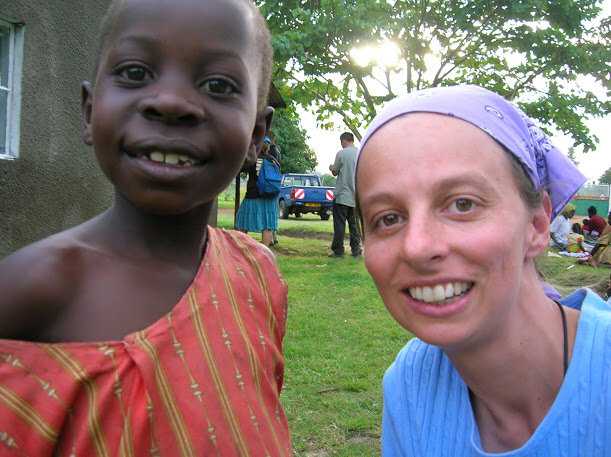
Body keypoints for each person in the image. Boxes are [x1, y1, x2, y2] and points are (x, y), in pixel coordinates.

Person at [0, 1, 292, 456]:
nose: (171, 102)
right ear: (89, 111)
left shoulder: (258, 274)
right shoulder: (26, 292)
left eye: (218, 85)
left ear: (256, 134)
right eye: (135, 73)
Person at [354, 85, 610, 456]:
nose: (417, 247)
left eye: (462, 203)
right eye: (388, 218)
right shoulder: (410, 384)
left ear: (537, 224)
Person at [235, 140, 280, 247]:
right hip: (271, 197)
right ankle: (264, 250)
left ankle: (241, 248)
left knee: (243, 221)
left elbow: (239, 168)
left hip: (253, 196)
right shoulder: (273, 160)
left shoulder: (253, 160)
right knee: (267, 225)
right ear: (268, 148)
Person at [328, 132, 362, 258]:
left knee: (340, 224)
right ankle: (356, 250)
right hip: (355, 196)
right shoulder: (361, 153)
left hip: (342, 195)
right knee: (354, 225)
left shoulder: (341, 154)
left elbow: (335, 172)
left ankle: (338, 251)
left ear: (343, 141)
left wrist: (331, 167)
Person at [267, 132, 281, 246]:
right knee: (274, 211)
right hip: (275, 185)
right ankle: (274, 236)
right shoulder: (277, 151)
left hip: (270, 185)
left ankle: (270, 237)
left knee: (269, 211)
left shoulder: (271, 152)